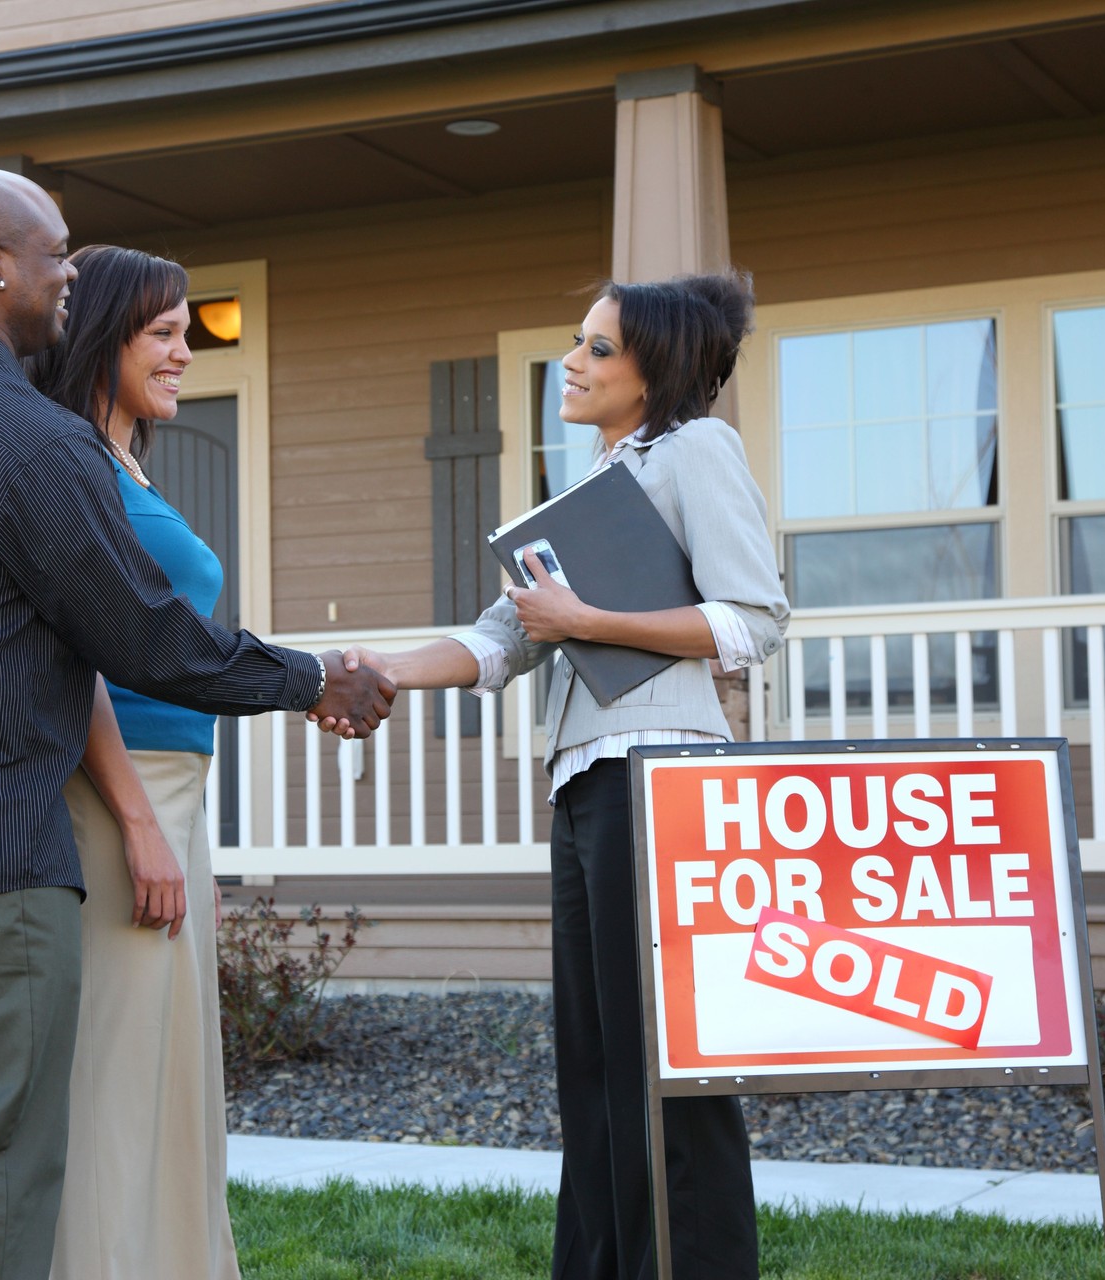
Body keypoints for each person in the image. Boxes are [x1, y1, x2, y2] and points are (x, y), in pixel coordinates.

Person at [0, 167, 394, 1280]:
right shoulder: (25, 435)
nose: (66, 276)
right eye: (52, 254)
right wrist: (315, 680)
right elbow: (148, 637)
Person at [335, 270, 788, 1280]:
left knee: (667, 1064)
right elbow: (501, 641)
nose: (571, 364)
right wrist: (377, 669)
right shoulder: (591, 488)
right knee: (594, 1064)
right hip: (587, 783)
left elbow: (752, 619)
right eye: (575, 344)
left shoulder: (695, 450)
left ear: (654, 368)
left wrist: (590, 620)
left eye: (597, 348)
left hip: (662, 776)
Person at [25, 245, 240, 1280]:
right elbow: (75, 656)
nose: (183, 350)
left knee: (174, 1075)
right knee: (114, 1079)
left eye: (185, 330)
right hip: (119, 797)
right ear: (102, 334)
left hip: (176, 791)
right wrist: (139, 819)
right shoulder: (71, 461)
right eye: (162, 332)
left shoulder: (127, 460)